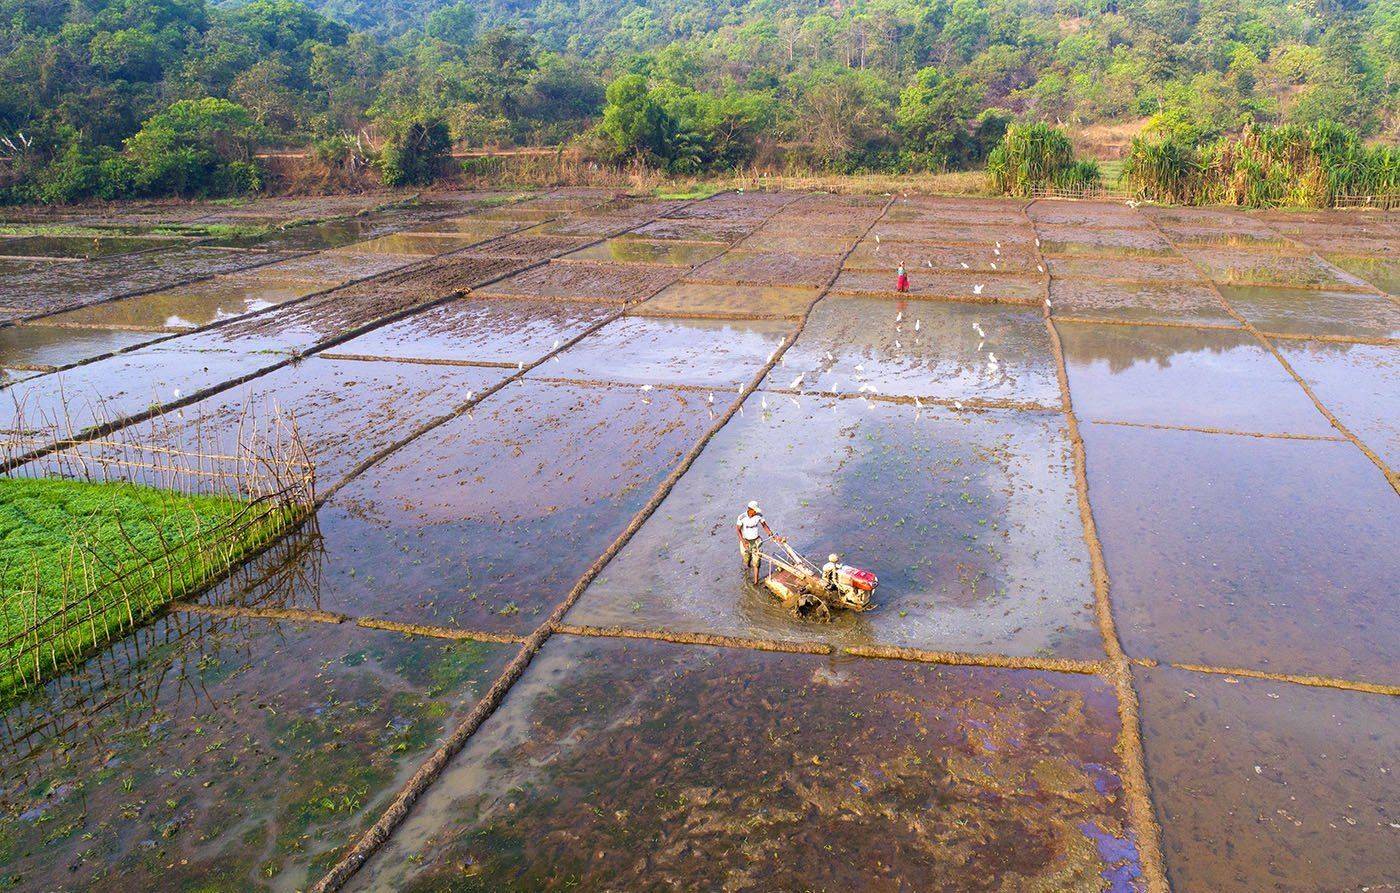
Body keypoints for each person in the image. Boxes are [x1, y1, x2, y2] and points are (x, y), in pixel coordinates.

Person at [736, 501, 780, 584]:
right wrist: (743, 541)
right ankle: (747, 568)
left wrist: (771, 534)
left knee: (756, 562)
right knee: (746, 559)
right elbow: (738, 530)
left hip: (756, 541)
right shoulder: (742, 517)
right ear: (750, 509)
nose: (756, 512)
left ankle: (756, 582)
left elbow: (764, 525)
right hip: (745, 541)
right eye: (754, 510)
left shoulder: (759, 516)